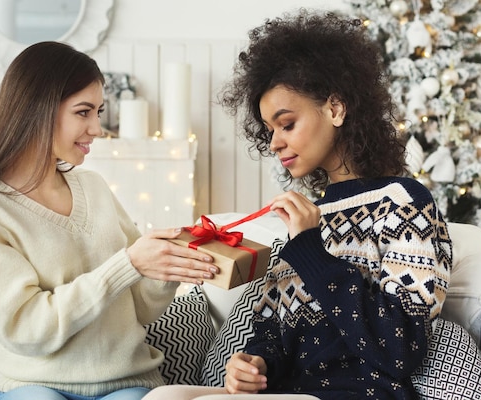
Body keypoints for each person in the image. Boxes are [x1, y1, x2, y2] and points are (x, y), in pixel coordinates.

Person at [144, 9, 452, 400]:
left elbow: (398, 349)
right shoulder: (311, 216)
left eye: (286, 124)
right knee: (164, 396)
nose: (273, 143)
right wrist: (255, 364)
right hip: (290, 393)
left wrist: (309, 246)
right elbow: (276, 333)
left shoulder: (404, 202)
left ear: (335, 109)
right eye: (269, 130)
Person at [0, 41, 219, 400]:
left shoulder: (94, 188)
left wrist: (166, 267)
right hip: (33, 386)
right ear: (36, 109)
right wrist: (127, 264)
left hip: (127, 383)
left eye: (98, 112)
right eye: (83, 112)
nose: (97, 129)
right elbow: (25, 329)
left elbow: (142, 309)